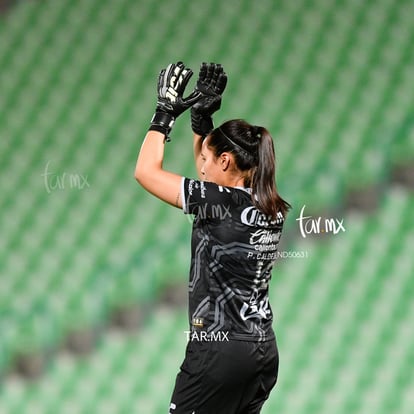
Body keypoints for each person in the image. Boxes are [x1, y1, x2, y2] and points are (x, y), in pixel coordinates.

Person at [135, 61, 290, 414]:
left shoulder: (217, 202)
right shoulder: (271, 205)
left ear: (224, 160)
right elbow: (210, 184)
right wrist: (201, 124)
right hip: (261, 351)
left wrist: (164, 115)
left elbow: (145, 172)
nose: (200, 164)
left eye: (207, 157)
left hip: (218, 353)